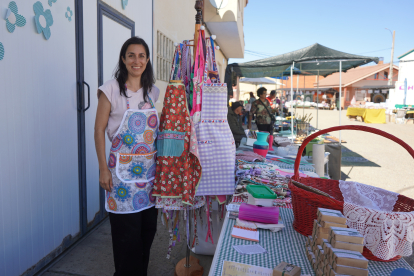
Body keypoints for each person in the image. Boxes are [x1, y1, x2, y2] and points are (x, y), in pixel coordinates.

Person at [94, 37, 159, 276]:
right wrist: (103, 169)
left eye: (141, 55)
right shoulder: (110, 89)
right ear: (123, 59)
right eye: (131, 55)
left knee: (147, 234)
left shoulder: (152, 91)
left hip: (149, 179)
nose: (137, 60)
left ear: (147, 59)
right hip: (121, 178)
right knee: (126, 240)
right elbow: (98, 130)